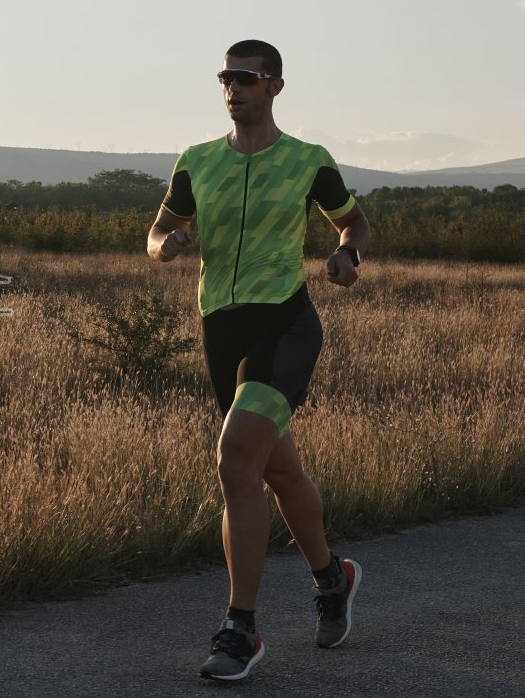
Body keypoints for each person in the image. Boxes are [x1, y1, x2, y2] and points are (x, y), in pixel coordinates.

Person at [147, 40, 371, 682]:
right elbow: (158, 232)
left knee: (234, 455)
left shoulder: (307, 160)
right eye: (225, 76)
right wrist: (168, 242)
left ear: (274, 86)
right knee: (278, 470)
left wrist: (348, 256)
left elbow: (352, 223)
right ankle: (333, 576)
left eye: (245, 77)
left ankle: (239, 629)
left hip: (285, 322)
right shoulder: (195, 161)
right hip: (222, 331)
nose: (232, 86)